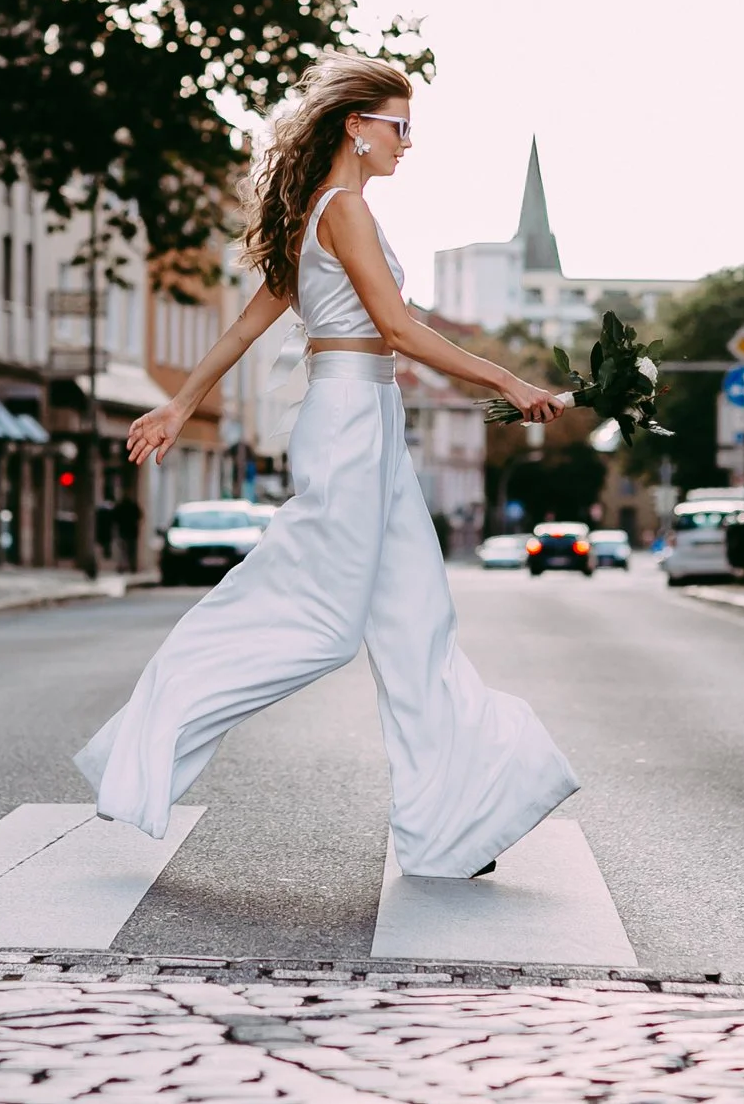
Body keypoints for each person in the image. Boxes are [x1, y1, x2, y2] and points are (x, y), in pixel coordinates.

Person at [75, 54, 578, 880]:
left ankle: (454, 819)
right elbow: (397, 326)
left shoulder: (329, 211)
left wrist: (182, 402)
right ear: (358, 126)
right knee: (322, 625)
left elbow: (244, 330)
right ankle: (150, 736)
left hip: (372, 417)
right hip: (346, 418)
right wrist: (508, 381)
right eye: (399, 126)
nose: (407, 143)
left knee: (418, 623)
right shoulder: (341, 208)